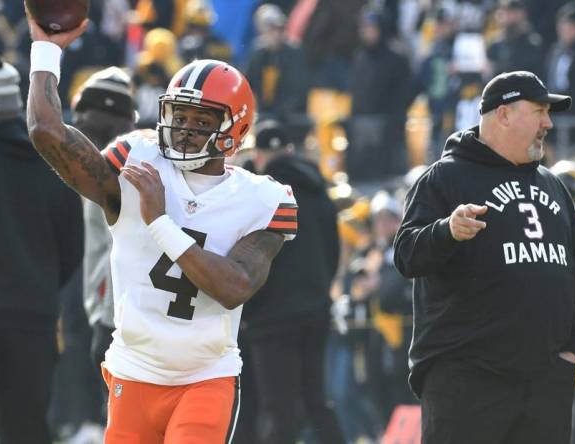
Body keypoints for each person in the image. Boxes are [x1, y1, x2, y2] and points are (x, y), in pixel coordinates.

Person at [24, 13, 297, 444]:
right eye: (180, 116)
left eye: (202, 121)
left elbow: (235, 286)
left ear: (234, 130)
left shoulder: (262, 198)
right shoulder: (138, 157)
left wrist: (160, 222)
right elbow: (46, 131)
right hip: (132, 370)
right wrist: (47, 49)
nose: (185, 130)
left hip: (205, 377)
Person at [393, 70, 575, 444]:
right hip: (467, 380)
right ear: (503, 114)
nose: (548, 123)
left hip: (544, 381)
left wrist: (570, 349)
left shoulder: (552, 184)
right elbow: (406, 255)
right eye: (539, 111)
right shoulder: (445, 177)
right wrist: (447, 231)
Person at [0, 53, 83, 443]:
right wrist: (38, 287)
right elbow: (72, 247)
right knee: (26, 428)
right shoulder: (50, 165)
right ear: (15, 103)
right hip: (32, 318)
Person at [242, 120, 345, 444]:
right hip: (315, 310)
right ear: (290, 150)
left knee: (278, 410)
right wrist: (319, 292)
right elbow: (333, 249)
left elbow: (253, 257)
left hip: (271, 318)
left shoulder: (258, 194)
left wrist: (249, 309)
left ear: (259, 156)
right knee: (317, 402)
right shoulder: (318, 188)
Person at [74, 66, 138, 424]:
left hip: (114, 305)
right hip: (130, 303)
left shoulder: (105, 167)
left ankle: (87, 423)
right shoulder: (135, 156)